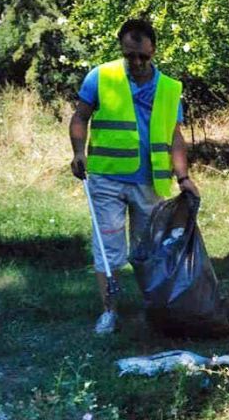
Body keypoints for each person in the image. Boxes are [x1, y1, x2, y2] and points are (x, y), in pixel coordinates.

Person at [69, 19, 199, 335]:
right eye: (131, 56)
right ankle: (109, 312)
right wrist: (78, 152)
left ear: (153, 51)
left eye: (143, 56)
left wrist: (183, 177)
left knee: (147, 249)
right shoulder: (101, 77)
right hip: (106, 178)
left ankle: (149, 308)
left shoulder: (169, 88)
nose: (137, 63)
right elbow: (80, 117)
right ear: (122, 51)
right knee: (108, 248)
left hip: (150, 182)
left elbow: (174, 136)